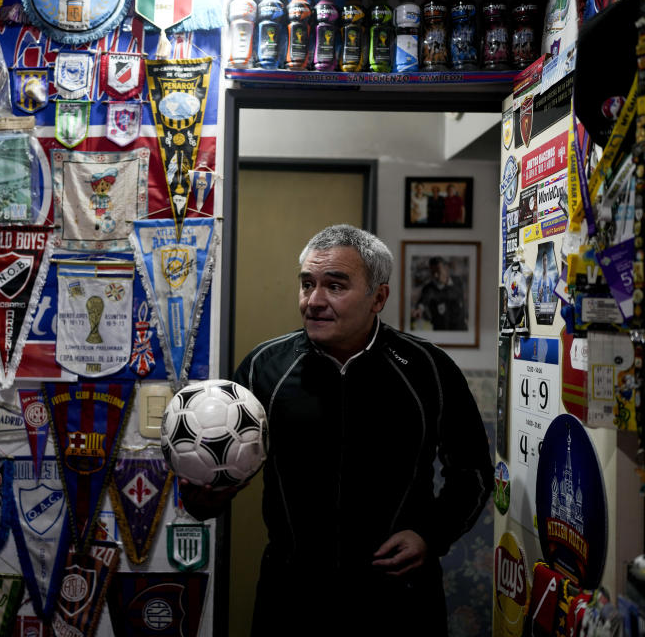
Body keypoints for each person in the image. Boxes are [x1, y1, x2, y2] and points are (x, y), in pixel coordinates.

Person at [180, 225, 492, 634]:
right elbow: (214, 481)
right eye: (307, 284)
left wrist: (429, 536)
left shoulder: (428, 370)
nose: (314, 301)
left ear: (378, 297)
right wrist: (204, 495)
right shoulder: (264, 368)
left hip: (399, 598)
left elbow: (472, 473)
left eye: (335, 286)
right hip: (292, 597)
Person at [411, 256, 468, 330]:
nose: (435, 275)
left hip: (461, 330)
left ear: (446, 269)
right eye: (432, 272)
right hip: (441, 333)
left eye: (438, 271)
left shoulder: (458, 281)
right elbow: (423, 301)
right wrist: (419, 309)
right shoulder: (429, 288)